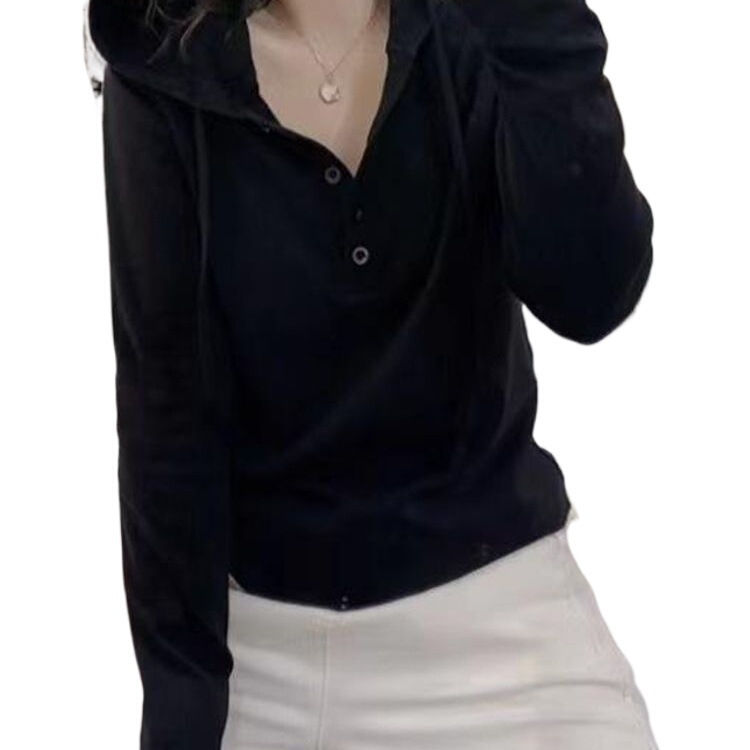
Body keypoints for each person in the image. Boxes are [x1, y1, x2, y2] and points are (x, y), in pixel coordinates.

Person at [84, 0, 659, 748]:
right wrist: (183, 711)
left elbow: (590, 294)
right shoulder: (163, 52)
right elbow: (168, 417)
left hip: (507, 625)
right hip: (268, 659)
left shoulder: (477, 24)